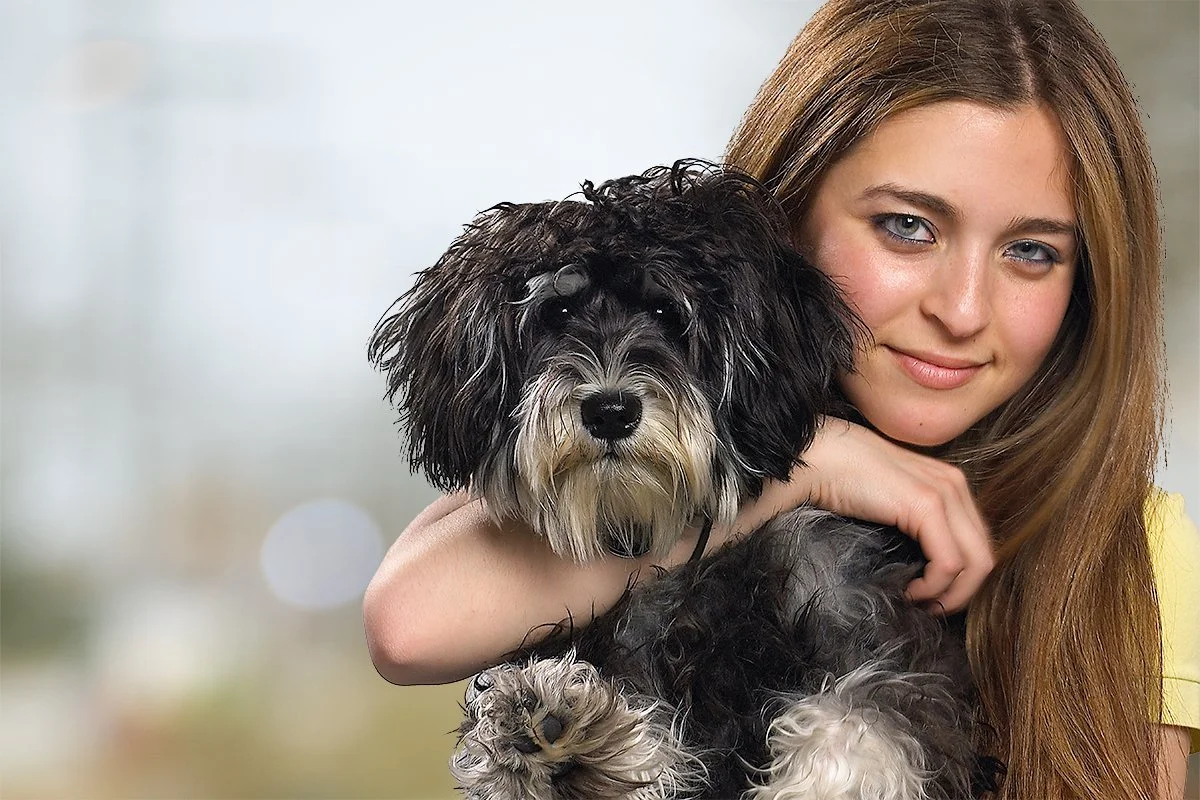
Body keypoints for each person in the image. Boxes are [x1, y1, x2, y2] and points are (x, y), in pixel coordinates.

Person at [363, 0, 1199, 797]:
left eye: (1031, 251)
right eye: (908, 226)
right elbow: (410, 623)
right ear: (788, 213)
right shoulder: (636, 453)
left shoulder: (1128, 548)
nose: (963, 310)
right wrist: (815, 461)